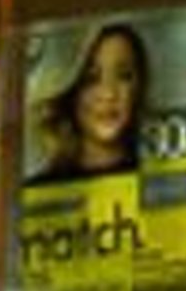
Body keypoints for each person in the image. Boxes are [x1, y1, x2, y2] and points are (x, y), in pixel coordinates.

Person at [36, 25, 153, 180]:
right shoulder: (42, 190)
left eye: (124, 76)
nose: (109, 94)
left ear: (139, 86)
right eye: (91, 78)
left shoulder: (160, 180)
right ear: (71, 90)